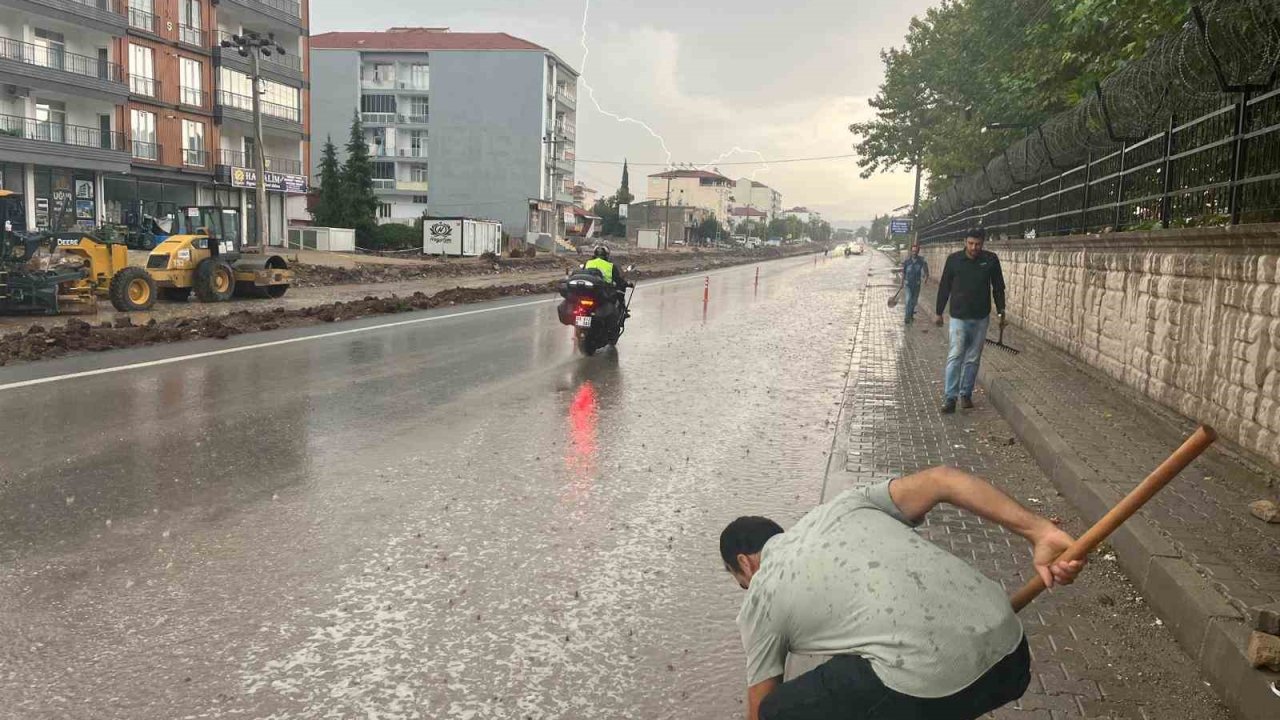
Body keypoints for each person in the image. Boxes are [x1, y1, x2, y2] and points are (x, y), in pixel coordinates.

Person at [720, 467, 1085, 720]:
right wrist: (1039, 531)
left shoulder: (761, 596)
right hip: (1011, 654)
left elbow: (758, 711)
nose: (746, 590)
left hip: (930, 686)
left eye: (741, 583)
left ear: (745, 564)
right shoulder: (845, 505)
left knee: (776, 713)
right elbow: (943, 479)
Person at [935, 228, 1005, 414]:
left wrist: (1001, 312)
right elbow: (944, 287)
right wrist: (938, 312)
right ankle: (950, 398)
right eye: (971, 243)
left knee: (973, 358)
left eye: (978, 244)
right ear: (965, 242)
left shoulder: (990, 260)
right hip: (958, 316)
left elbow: (998, 287)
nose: (974, 247)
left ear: (983, 243)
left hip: (981, 317)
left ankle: (966, 393)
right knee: (955, 355)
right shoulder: (954, 260)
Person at [584, 245, 631, 313]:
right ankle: (622, 309)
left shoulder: (587, 263)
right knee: (618, 293)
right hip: (604, 291)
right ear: (607, 255)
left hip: (588, 290)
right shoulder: (610, 266)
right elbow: (618, 280)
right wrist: (626, 283)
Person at [901, 244, 929, 324]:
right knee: (908, 300)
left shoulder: (921, 261)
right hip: (908, 284)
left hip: (917, 285)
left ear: (918, 251)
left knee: (914, 301)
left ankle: (911, 316)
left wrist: (926, 278)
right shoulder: (907, 262)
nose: (914, 253)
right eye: (913, 251)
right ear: (911, 251)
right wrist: (902, 282)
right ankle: (907, 318)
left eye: (916, 251)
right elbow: (903, 272)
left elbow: (926, 271)